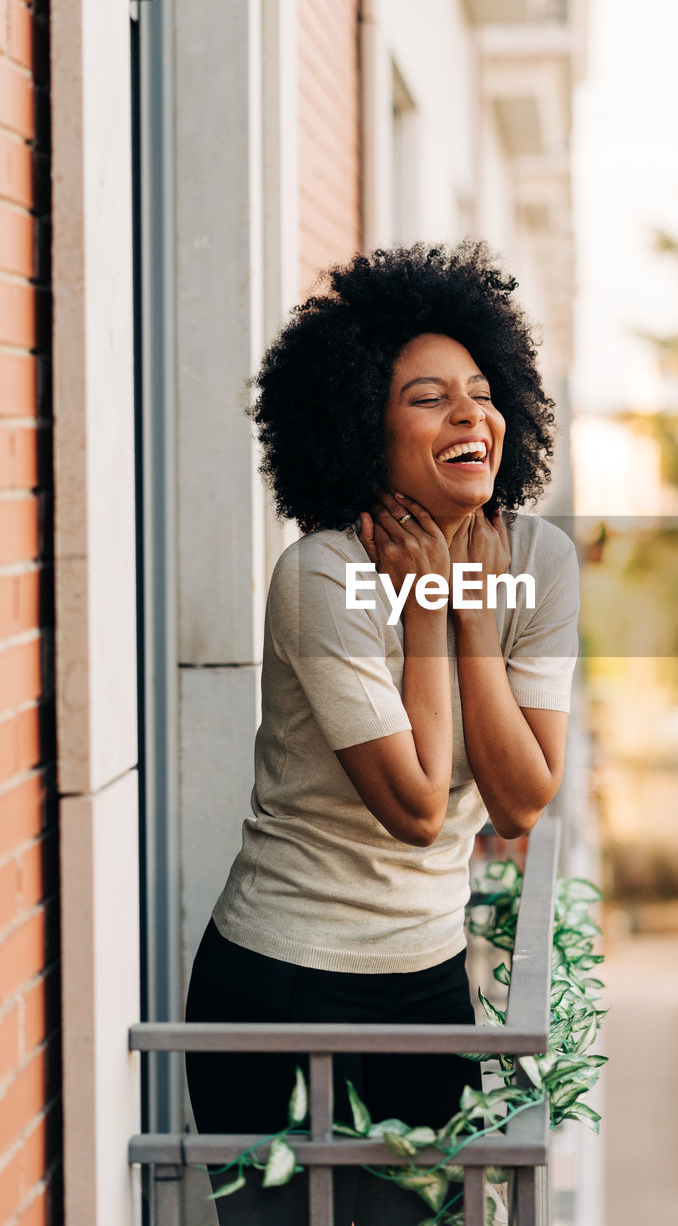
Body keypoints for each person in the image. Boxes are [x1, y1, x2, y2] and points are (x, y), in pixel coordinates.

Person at [184, 240, 580, 1225]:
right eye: (427, 397)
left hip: (424, 982)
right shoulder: (321, 575)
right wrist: (426, 610)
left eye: (482, 392)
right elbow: (412, 802)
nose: (469, 415)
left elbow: (522, 796)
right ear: (364, 425)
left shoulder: (538, 559)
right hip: (278, 983)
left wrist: (469, 616)